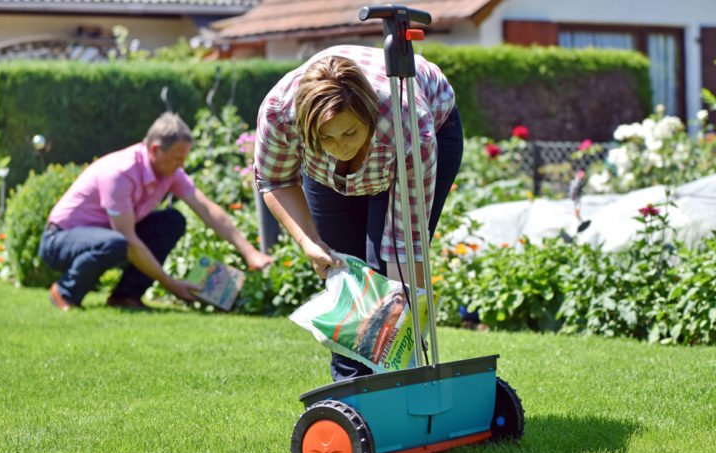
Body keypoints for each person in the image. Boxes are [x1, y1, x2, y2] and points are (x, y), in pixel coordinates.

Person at [253, 45, 463, 381]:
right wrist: (308, 242)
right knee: (345, 272)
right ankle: (351, 388)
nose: (341, 146)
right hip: (325, 173)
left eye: (350, 132)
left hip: (421, 136)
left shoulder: (408, 124)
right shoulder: (280, 114)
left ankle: (398, 383)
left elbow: (404, 244)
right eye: (327, 137)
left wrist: (405, 320)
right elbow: (274, 179)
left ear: (367, 116)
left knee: (382, 276)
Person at [40, 112, 273, 311]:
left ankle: (125, 296)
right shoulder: (120, 173)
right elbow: (128, 240)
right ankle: (65, 293)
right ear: (154, 150)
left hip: (105, 236)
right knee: (116, 242)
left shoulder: (170, 172)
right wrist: (171, 285)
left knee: (171, 221)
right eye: (176, 159)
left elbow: (206, 209)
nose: (181, 165)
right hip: (59, 239)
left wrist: (250, 252)